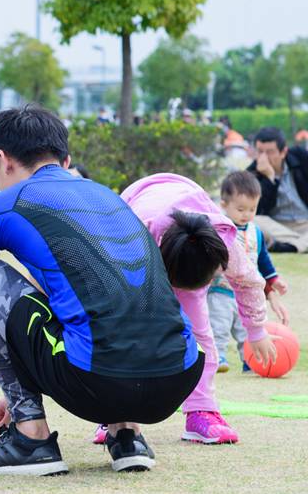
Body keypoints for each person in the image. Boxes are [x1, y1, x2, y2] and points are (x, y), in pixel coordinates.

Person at [0, 105, 206, 476]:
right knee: (101, 303)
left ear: (1, 159)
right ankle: (126, 434)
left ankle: (29, 436)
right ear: (64, 159)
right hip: (177, 377)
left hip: (97, 381)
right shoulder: (111, 199)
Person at [118, 171, 286, 445]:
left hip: (186, 225)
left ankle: (201, 412)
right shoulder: (132, 234)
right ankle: (115, 415)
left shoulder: (219, 240)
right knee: (128, 331)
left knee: (201, 335)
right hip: (141, 217)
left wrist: (256, 331)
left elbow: (249, 282)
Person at [207, 171, 288, 373]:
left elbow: (263, 260)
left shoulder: (256, 232)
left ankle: (250, 360)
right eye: (241, 209)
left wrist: (273, 280)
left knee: (246, 329)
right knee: (219, 326)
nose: (246, 214)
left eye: (252, 209)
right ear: (224, 205)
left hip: (247, 295)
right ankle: (219, 357)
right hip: (221, 291)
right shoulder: (218, 230)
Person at [248, 126, 308, 252]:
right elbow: (257, 210)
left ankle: (292, 246)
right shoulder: (251, 174)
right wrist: (269, 179)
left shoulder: (301, 157)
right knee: (252, 221)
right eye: (260, 151)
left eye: (269, 152)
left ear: (283, 152)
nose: (264, 157)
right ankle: (301, 244)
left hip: (305, 223)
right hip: (277, 226)